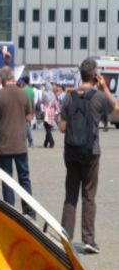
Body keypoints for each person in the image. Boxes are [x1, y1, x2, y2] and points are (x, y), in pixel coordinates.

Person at [58, 58, 118, 254]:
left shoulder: (69, 97)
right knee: (89, 196)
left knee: (70, 194)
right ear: (95, 76)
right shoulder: (99, 97)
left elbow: (61, 128)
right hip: (91, 152)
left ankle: (66, 236)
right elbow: (116, 108)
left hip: (71, 151)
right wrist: (105, 88)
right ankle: (89, 240)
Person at [0, 66, 34, 217]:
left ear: (2, 79)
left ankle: (11, 213)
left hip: (5, 145)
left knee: (7, 180)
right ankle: (29, 212)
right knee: (24, 179)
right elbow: (29, 118)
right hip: (21, 144)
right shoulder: (23, 94)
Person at [42, 83, 59, 148]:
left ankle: (52, 142)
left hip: (45, 112)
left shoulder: (44, 94)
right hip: (51, 113)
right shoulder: (53, 95)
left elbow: (42, 102)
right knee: (48, 127)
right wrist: (58, 112)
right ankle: (45, 143)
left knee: (47, 128)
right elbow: (56, 104)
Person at [19, 78, 35, 146]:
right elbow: (33, 102)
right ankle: (29, 140)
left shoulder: (21, 90)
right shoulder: (32, 91)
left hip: (23, 110)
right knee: (27, 125)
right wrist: (33, 112)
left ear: (23, 82)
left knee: (26, 125)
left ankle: (29, 140)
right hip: (30, 110)